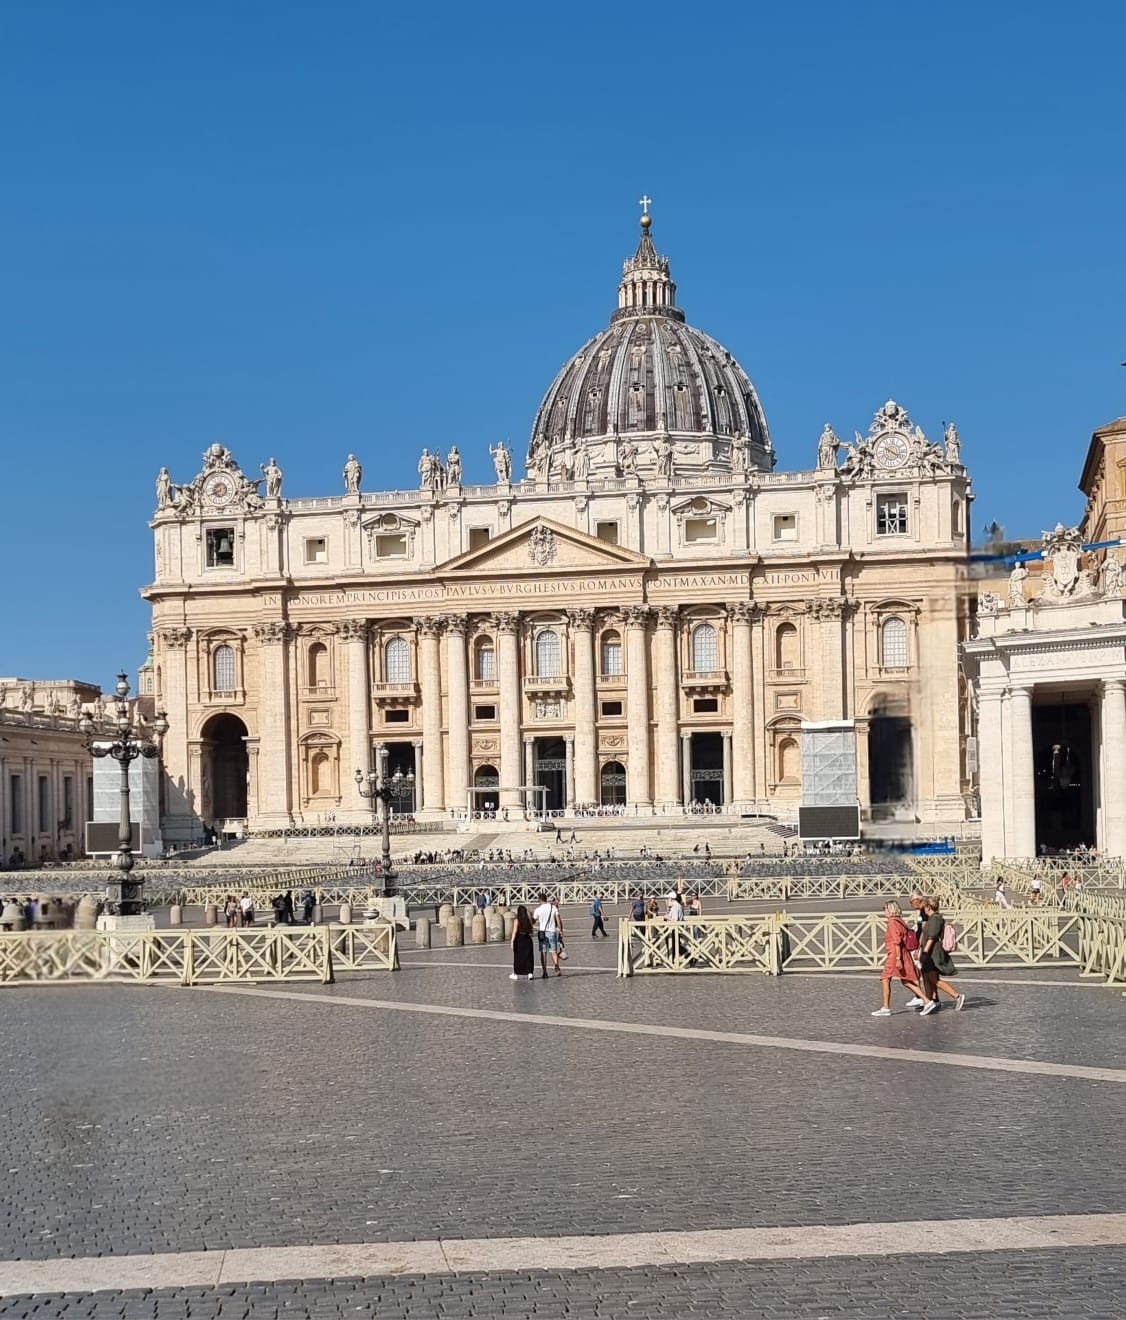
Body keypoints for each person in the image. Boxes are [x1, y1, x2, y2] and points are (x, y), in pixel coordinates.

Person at [872, 901, 926, 1016]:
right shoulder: (900, 921)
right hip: (901, 953)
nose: (884, 911)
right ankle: (925, 1000)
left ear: (890, 910)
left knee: (885, 978)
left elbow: (897, 941)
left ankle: (886, 1007)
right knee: (905, 980)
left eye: (885, 909)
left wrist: (897, 958)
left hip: (895, 954)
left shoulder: (892, 922)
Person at [918, 896, 965, 1014]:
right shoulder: (932, 918)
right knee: (928, 978)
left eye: (924, 907)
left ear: (928, 907)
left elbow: (932, 938)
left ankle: (957, 996)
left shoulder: (935, 919)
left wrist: (924, 953)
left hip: (933, 953)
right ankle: (929, 1003)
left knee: (934, 979)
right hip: (930, 952)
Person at [532, 890, 563, 977]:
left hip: (542, 933)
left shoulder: (538, 909)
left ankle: (545, 972)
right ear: (546, 899)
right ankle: (556, 966)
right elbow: (558, 920)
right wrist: (560, 931)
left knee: (543, 952)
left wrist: (531, 913)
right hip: (552, 931)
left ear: (539, 900)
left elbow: (533, 921)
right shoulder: (553, 907)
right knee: (553, 951)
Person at [510, 904, 536, 980]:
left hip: (519, 940)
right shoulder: (529, 920)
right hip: (528, 939)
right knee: (529, 957)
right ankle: (530, 973)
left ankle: (516, 973)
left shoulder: (517, 920)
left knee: (518, 957)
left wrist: (512, 941)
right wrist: (531, 913)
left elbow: (514, 932)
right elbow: (533, 925)